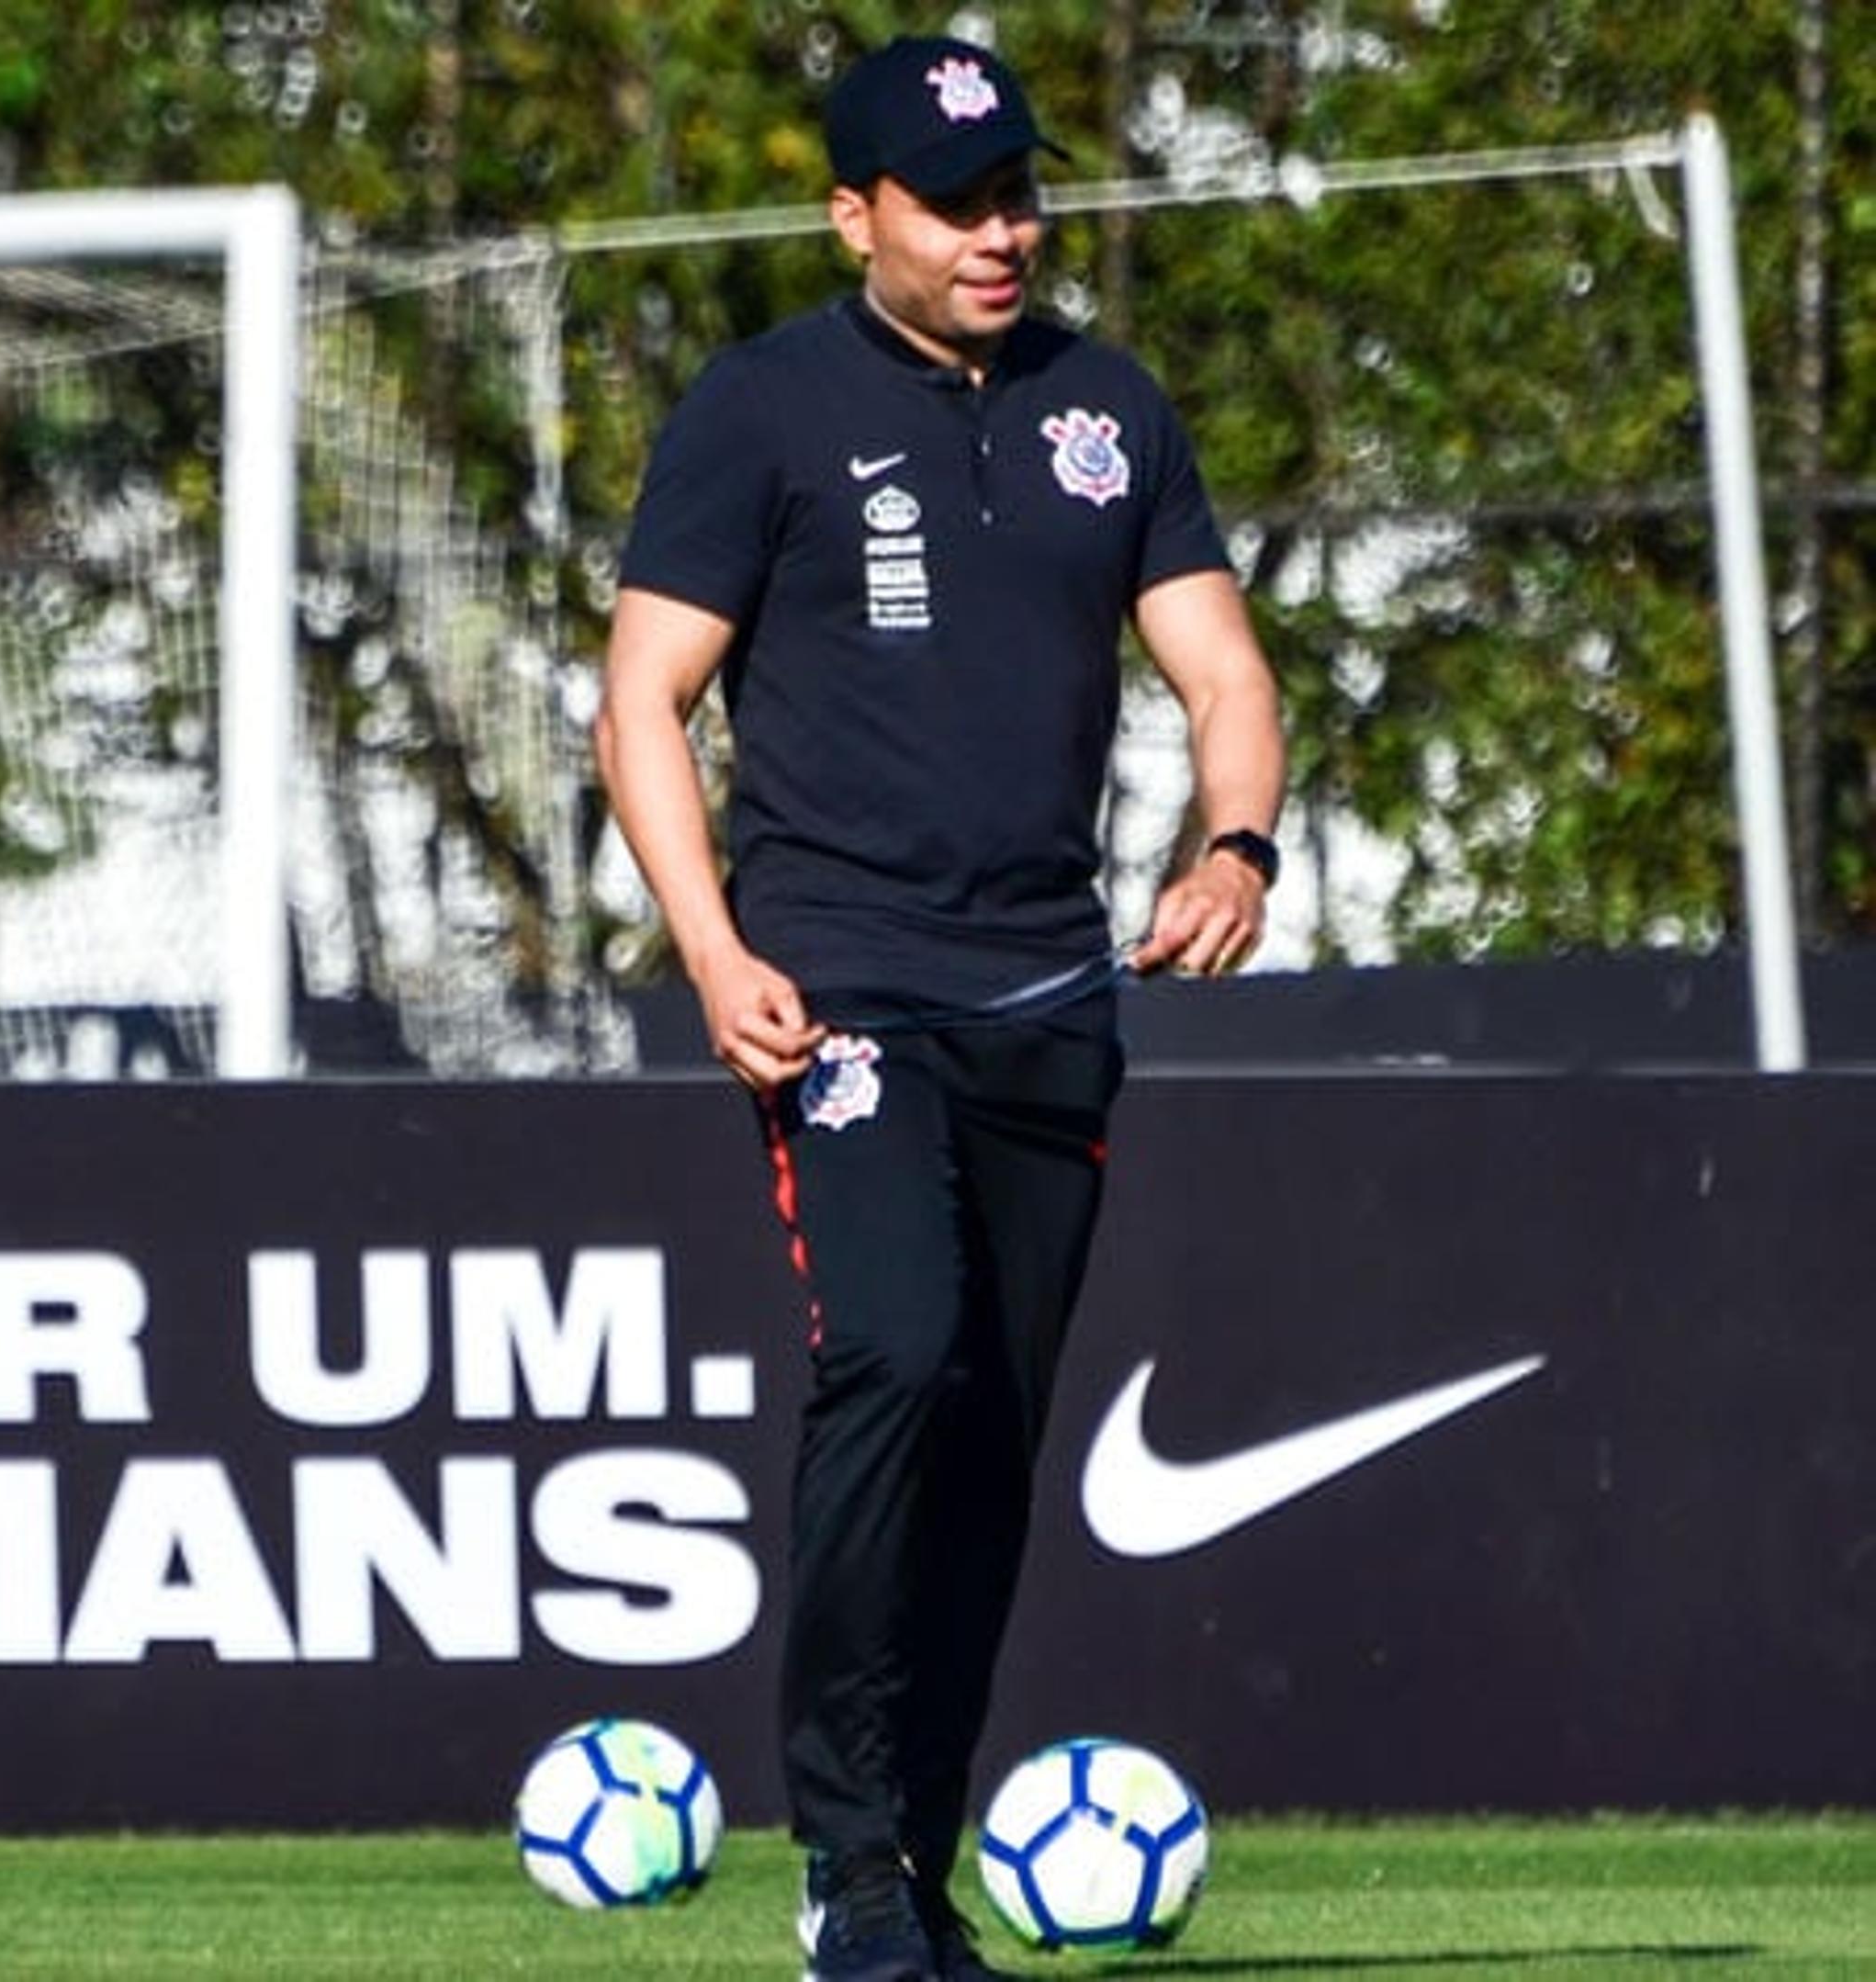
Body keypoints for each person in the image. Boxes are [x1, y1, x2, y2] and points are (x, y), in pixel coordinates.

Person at [590, 32, 1286, 1982]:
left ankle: (914, 1853)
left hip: (1055, 997)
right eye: (960, 201)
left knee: (990, 1438)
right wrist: (717, 953)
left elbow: (1225, 674)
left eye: (1020, 194)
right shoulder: (763, 408)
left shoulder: (1109, 408)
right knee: (894, 1354)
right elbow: (641, 701)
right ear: (854, 213)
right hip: (844, 992)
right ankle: (843, 1865)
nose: (1007, 232)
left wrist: (1237, 850)